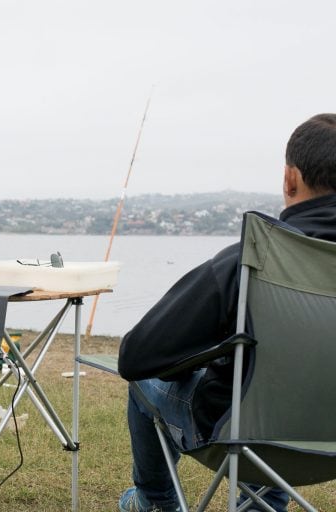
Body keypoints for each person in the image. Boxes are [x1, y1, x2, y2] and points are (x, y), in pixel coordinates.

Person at [116, 113, 336, 512]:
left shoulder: (254, 261)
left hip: (237, 435)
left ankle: (156, 503)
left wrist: (217, 348)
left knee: (145, 382)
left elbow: (136, 357)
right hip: (328, 442)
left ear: (290, 179)